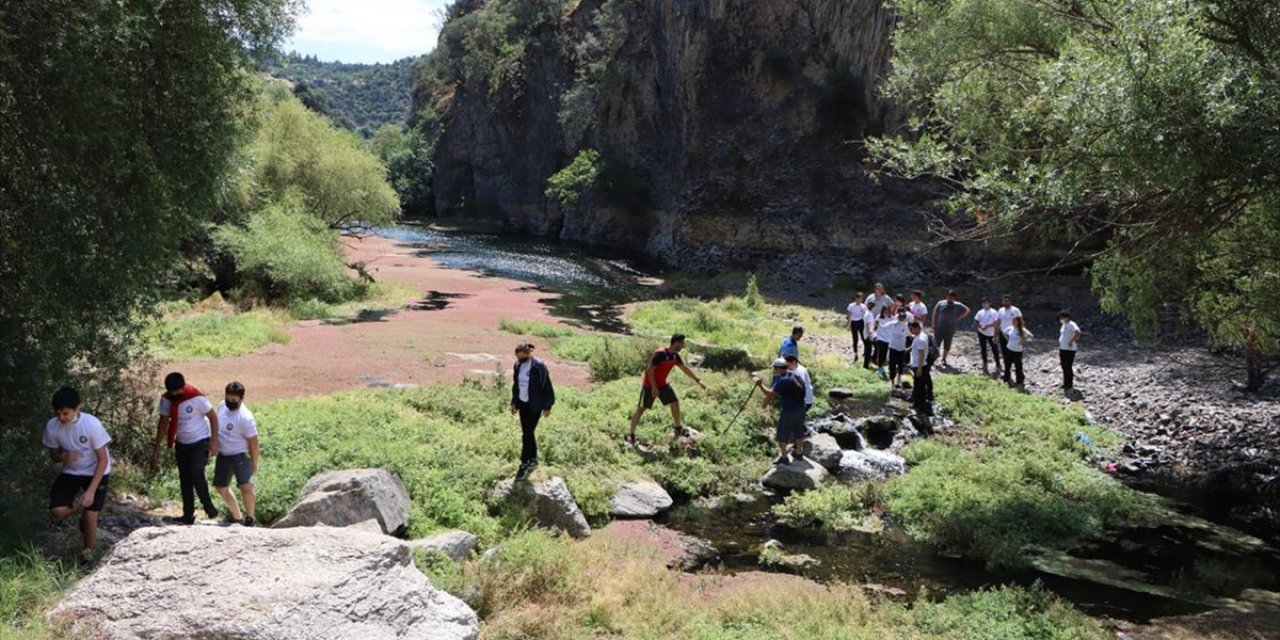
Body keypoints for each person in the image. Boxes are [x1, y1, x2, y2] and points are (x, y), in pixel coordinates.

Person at [43, 387, 111, 558]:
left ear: (77, 408)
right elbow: (54, 456)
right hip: (71, 471)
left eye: (65, 413)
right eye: (58, 413)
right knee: (57, 512)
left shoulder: (91, 425)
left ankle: (88, 554)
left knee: (90, 516)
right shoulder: (52, 426)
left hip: (97, 471)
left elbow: (103, 459)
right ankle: (81, 508)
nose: (61, 418)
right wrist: (63, 456)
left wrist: (91, 491)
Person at [154, 372, 220, 525]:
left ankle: (209, 508)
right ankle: (187, 514)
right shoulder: (167, 400)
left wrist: (214, 441)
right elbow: (163, 422)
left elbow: (212, 417)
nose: (175, 394)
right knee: (185, 478)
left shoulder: (195, 397)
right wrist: (157, 446)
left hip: (200, 440)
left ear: (183, 386)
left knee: (196, 472)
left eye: (178, 390)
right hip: (182, 443)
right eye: (172, 391)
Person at [628, 334, 707, 444]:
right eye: (682, 343)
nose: (683, 346)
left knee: (674, 402)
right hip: (649, 385)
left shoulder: (675, 356)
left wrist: (698, 380)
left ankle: (678, 428)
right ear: (676, 343)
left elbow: (685, 369)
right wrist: (654, 387)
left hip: (663, 385)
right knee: (641, 409)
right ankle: (631, 434)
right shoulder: (660, 354)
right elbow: (649, 370)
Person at [213, 381, 259, 527]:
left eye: (234, 400)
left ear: (241, 399)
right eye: (228, 398)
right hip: (223, 454)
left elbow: (254, 442)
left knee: (245, 486)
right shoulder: (221, 406)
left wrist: (254, 462)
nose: (230, 402)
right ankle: (237, 516)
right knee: (221, 486)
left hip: (240, 455)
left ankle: (250, 518)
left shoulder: (246, 418)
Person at [510, 342, 555, 480]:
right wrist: (514, 402)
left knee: (527, 432)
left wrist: (548, 406)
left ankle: (524, 463)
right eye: (517, 356)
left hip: (535, 405)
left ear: (528, 353)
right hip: (523, 404)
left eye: (522, 355)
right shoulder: (518, 365)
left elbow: (547, 386)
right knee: (527, 432)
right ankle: (533, 460)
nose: (519, 358)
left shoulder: (538, 366)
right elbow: (516, 385)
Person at [756, 358, 808, 465]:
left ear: (778, 368)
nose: (774, 369)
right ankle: (798, 453)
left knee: (782, 434)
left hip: (789, 411)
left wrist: (760, 385)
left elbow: (770, 394)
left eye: (774, 367)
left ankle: (784, 457)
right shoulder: (795, 377)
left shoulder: (783, 381)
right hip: (801, 409)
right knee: (798, 431)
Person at [931, 290, 970, 367]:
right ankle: (933, 359)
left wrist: (958, 317)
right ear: (946, 296)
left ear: (954, 297)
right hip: (939, 327)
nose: (949, 298)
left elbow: (967, 310)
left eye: (951, 297)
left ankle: (944, 359)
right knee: (936, 343)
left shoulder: (957, 304)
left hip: (950, 328)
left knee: (947, 343)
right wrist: (933, 324)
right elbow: (935, 313)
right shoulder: (940, 303)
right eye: (948, 296)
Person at [908, 322, 934, 415]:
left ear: (917, 328)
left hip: (920, 366)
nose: (910, 331)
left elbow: (921, 354)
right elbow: (916, 346)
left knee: (920, 388)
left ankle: (921, 407)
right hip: (918, 365)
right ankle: (916, 404)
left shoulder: (921, 339)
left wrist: (919, 368)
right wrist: (909, 349)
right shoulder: (920, 335)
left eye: (911, 329)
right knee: (917, 385)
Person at [997, 294, 1023, 382]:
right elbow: (998, 322)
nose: (1005, 302)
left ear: (1010, 301)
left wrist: (1022, 335)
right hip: (1003, 334)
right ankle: (1007, 374)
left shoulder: (1015, 310)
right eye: (1004, 300)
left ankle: (1020, 377)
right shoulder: (1000, 310)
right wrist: (996, 334)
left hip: (1014, 335)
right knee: (1005, 355)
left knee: (1016, 357)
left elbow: (1021, 321)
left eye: (1007, 300)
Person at [974, 297, 1002, 374]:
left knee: (994, 349)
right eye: (983, 303)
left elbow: (996, 323)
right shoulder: (980, 312)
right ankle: (985, 364)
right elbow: (976, 321)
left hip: (991, 334)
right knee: (983, 349)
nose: (985, 304)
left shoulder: (994, 312)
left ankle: (998, 365)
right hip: (981, 333)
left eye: (986, 302)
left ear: (990, 303)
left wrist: (988, 326)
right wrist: (980, 326)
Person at [1003, 316, 1032, 388]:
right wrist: (1008, 340)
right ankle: (1006, 378)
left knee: (1018, 366)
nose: (1013, 322)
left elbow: (1030, 336)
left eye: (1015, 321)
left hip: (1018, 351)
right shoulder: (1010, 328)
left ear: (1019, 322)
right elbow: (1004, 333)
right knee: (1007, 365)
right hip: (1009, 349)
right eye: (1013, 321)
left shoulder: (1022, 330)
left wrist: (1023, 340)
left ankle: (1019, 381)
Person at [1058, 310, 1083, 391]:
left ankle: (1069, 384)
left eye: (1062, 317)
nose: (1061, 319)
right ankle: (1065, 383)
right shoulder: (1064, 325)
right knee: (1063, 366)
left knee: (1068, 366)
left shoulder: (1072, 324)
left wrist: (1072, 341)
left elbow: (1078, 332)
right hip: (1062, 348)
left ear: (1066, 317)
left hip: (1069, 349)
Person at [886, 307, 910, 388]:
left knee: (900, 365)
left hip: (901, 349)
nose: (901, 319)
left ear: (905, 318)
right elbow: (884, 326)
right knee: (892, 365)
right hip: (893, 347)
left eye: (903, 317)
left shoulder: (906, 326)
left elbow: (908, 336)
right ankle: (892, 382)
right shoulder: (893, 324)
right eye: (900, 317)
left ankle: (899, 379)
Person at [872, 307, 894, 378]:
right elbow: (875, 325)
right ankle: (880, 369)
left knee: (884, 355)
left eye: (888, 310)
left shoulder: (892, 318)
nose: (887, 312)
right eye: (885, 311)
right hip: (880, 337)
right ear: (883, 311)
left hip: (888, 338)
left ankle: (881, 366)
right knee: (880, 353)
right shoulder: (879, 316)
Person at [846, 292, 868, 359]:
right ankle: (855, 354)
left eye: (861, 299)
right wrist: (848, 324)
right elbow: (849, 315)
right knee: (855, 339)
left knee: (863, 337)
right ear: (856, 298)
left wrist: (866, 325)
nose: (859, 300)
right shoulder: (851, 305)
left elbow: (866, 316)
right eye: (858, 299)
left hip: (861, 322)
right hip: (854, 323)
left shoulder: (864, 306)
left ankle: (866, 351)